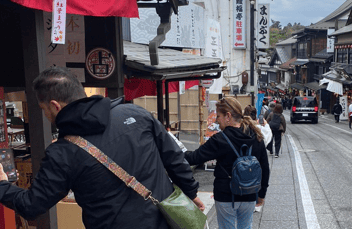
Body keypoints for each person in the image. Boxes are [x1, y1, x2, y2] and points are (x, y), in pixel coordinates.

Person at [0, 67, 204, 229]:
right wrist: (191, 192)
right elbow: (174, 157)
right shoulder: (135, 114)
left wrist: (2, 184)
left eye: (44, 110)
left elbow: (31, 206)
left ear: (55, 106)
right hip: (163, 222)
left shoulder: (62, 152)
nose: (46, 116)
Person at [185, 97, 270, 229]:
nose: (216, 120)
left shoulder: (220, 139)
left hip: (226, 195)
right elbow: (264, 168)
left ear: (228, 116)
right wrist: (261, 194)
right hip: (249, 193)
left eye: (218, 116)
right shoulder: (255, 135)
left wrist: (173, 152)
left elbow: (194, 158)